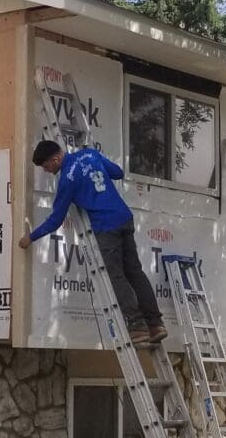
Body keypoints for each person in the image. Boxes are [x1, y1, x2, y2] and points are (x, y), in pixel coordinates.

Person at [16, 139, 168, 347]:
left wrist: (30, 238)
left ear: (56, 158)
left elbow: (55, 220)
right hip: (124, 218)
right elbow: (118, 173)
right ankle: (155, 324)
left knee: (116, 276)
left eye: (46, 166)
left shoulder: (67, 180)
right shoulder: (90, 154)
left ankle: (137, 327)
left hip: (106, 227)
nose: (46, 170)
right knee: (135, 272)